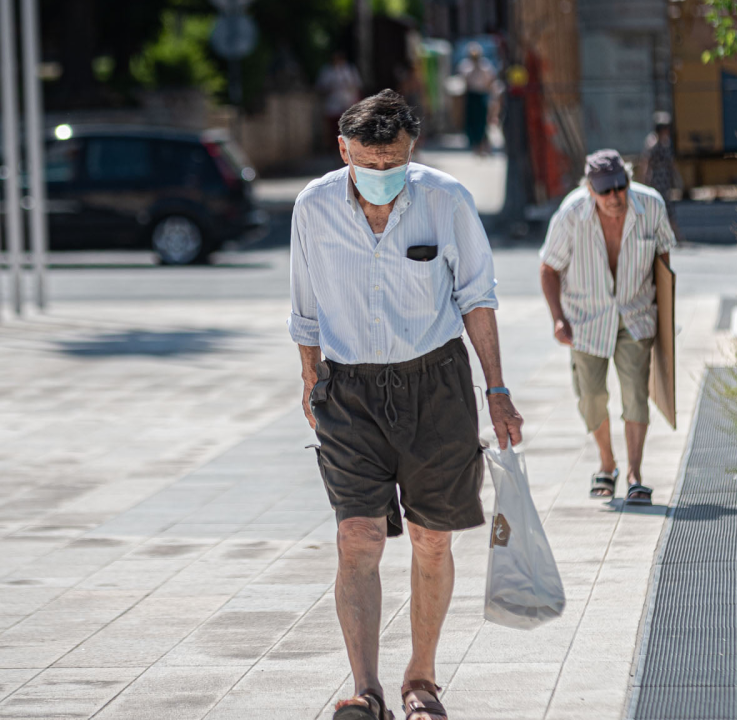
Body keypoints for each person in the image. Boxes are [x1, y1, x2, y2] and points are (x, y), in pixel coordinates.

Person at [289, 89, 524, 720]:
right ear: (344, 151)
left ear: (411, 150)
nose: (383, 176)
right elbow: (305, 309)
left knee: (432, 540)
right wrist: (310, 380)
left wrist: (496, 389)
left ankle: (420, 680)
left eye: (394, 163)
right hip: (349, 391)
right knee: (357, 535)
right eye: (369, 163)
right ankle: (365, 691)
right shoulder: (312, 206)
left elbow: (478, 295)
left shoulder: (446, 200)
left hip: (435, 385)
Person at [538, 149, 675, 505]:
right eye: (605, 191)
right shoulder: (571, 215)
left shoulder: (651, 206)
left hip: (635, 314)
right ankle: (606, 463)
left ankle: (634, 474)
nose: (615, 196)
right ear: (590, 190)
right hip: (586, 319)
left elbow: (664, 262)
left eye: (620, 186)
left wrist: (666, 317)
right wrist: (557, 316)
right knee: (591, 397)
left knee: (635, 394)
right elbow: (548, 268)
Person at [640, 111, 683, 239]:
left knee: (667, 207)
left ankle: (675, 235)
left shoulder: (666, 144)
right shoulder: (652, 144)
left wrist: (677, 177)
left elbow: (671, 163)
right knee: (658, 207)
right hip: (656, 181)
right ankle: (670, 235)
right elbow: (646, 163)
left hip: (665, 181)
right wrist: (643, 180)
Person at [316, 52, 363, 150]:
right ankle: (334, 148)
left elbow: (356, 85)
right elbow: (321, 87)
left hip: (347, 103)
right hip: (333, 105)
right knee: (334, 128)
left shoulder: (349, 70)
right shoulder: (327, 71)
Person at [456, 43, 496, 154]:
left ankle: (482, 142)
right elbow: (463, 80)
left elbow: (490, 80)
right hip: (471, 94)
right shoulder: (465, 66)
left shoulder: (485, 66)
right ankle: (473, 142)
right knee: (471, 119)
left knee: (481, 120)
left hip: (481, 94)